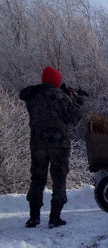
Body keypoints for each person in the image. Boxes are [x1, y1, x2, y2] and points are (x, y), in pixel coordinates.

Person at [20, 66, 84, 228]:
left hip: (37, 144)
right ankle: (54, 218)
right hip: (58, 145)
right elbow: (74, 117)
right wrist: (76, 101)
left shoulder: (33, 97)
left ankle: (33, 217)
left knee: (37, 179)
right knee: (59, 180)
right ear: (56, 81)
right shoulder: (60, 96)